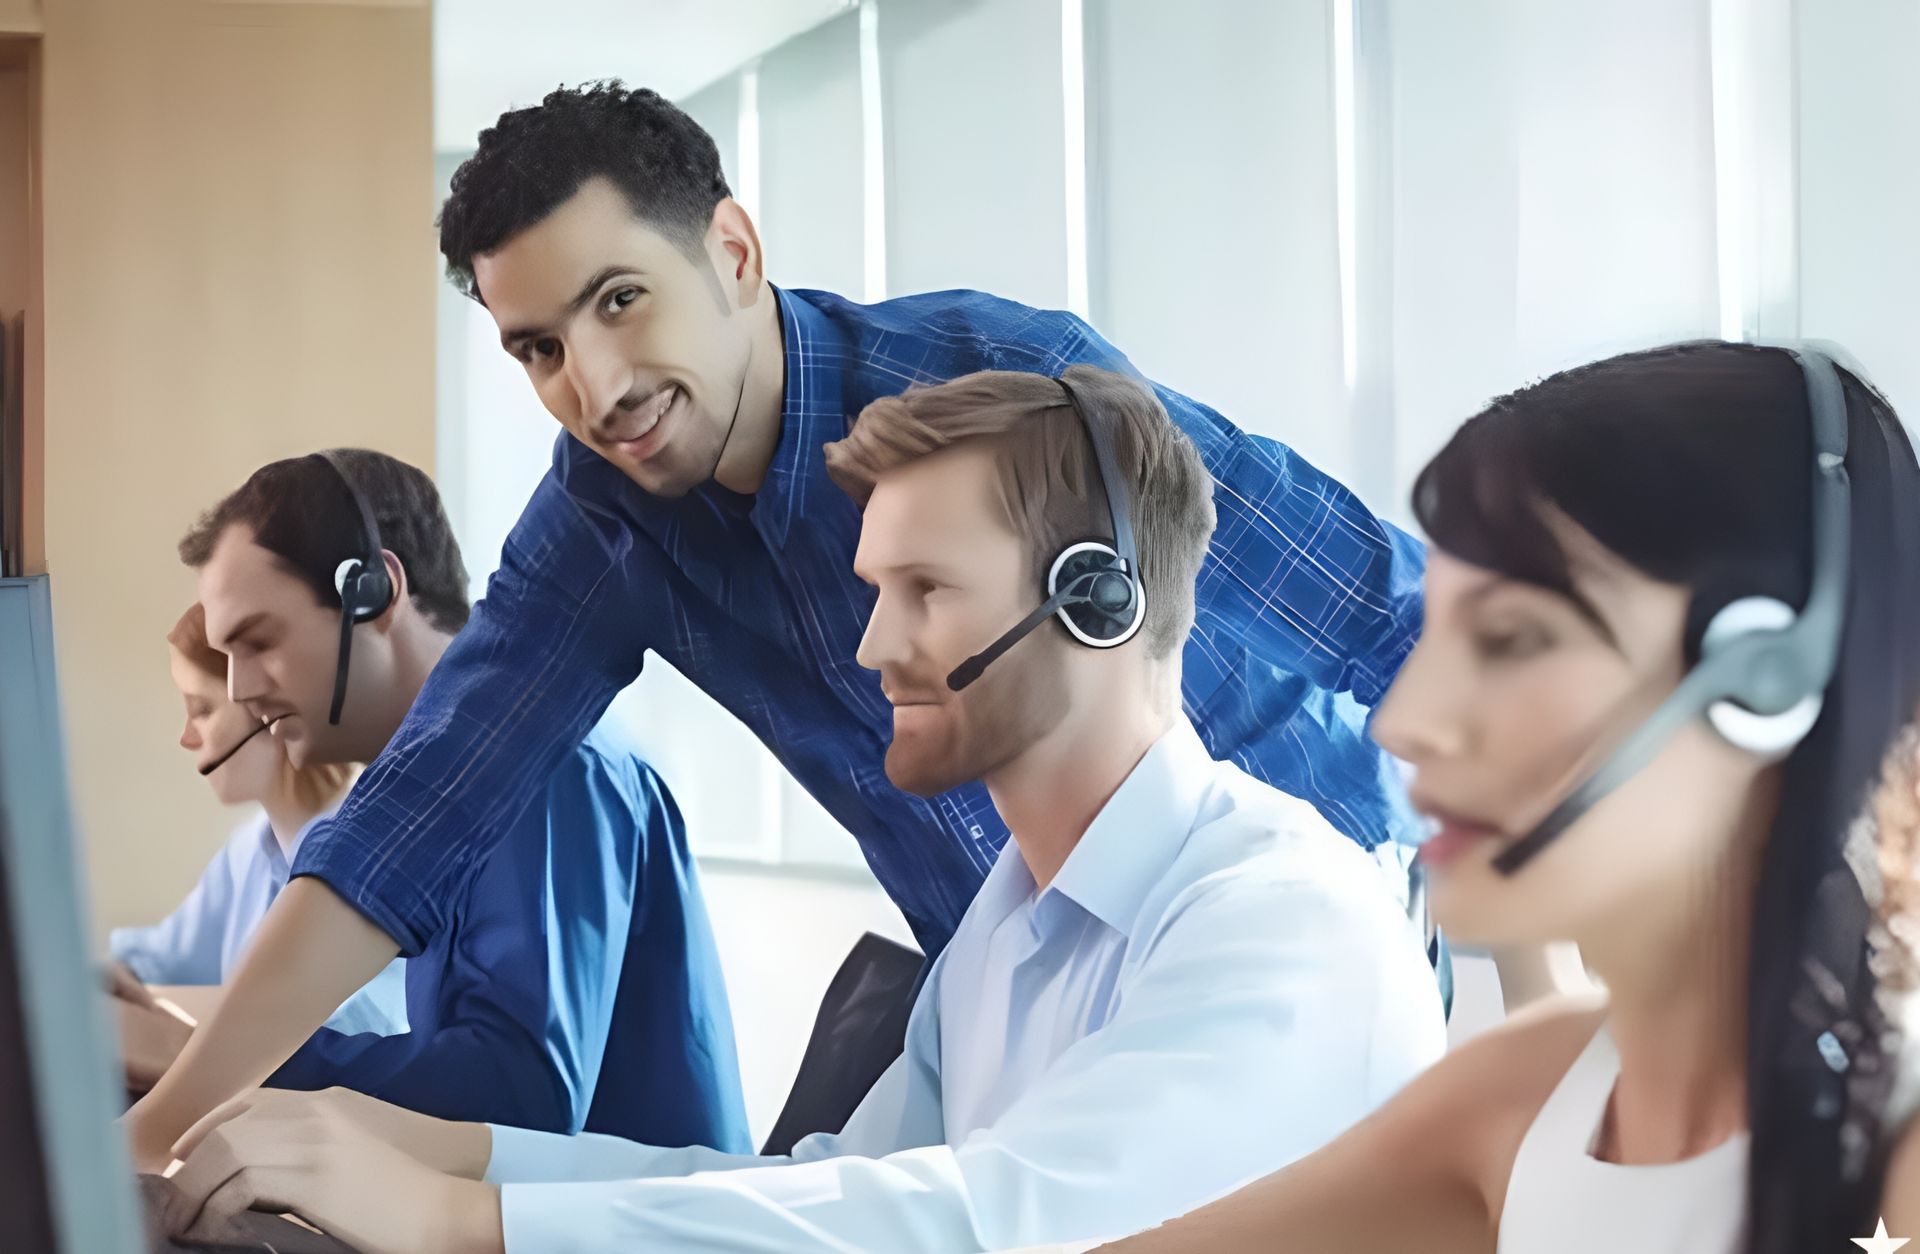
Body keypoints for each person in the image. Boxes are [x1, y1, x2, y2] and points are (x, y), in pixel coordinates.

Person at [127, 78, 1436, 1167]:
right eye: (537, 349)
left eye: (620, 300)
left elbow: (1385, 612)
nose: (593, 386)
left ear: (735, 255)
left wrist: (1519, 1012)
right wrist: (165, 1130)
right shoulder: (603, 519)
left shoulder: (1003, 387)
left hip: (1268, 948)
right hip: (1004, 974)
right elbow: (410, 821)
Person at [157, 367, 1445, 1253]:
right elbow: (827, 1191)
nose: (869, 643)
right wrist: (455, 1157)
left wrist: (458, 1224)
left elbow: (988, 1224)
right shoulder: (1007, 928)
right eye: (873, 587)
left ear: (1096, 603)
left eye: (925, 589)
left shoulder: (1280, 918)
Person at [1018, 341, 1920, 1254]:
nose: (1401, 722)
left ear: (1762, 685)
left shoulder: (1897, 1152)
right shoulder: (1518, 1101)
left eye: (1511, 637)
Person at [172, 448, 748, 1151]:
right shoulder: (417, 800)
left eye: (257, 641)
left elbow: (520, 1091)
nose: (238, 689)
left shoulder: (543, 756)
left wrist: (217, 1072)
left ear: (375, 595)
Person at [109, 603, 408, 1091]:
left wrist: (176, 1044)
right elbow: (153, 961)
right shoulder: (251, 850)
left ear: (266, 710)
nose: (186, 738)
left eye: (201, 710)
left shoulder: (367, 858)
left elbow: (358, 1032)